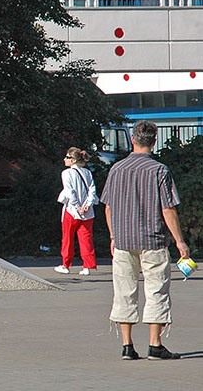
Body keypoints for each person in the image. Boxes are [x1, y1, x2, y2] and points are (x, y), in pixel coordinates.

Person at [101, 120, 190, 360]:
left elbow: (108, 207)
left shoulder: (116, 169)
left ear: (132, 140)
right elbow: (168, 209)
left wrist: (112, 235)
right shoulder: (160, 171)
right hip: (153, 240)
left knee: (124, 291)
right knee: (156, 291)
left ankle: (127, 346)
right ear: (154, 141)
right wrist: (180, 241)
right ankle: (155, 345)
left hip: (122, 240)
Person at [54, 147, 99, 275]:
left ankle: (65, 265)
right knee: (86, 239)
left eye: (67, 157)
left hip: (71, 210)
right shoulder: (87, 172)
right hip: (88, 211)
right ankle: (87, 266)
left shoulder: (66, 173)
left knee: (67, 238)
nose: (64, 159)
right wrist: (87, 205)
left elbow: (69, 191)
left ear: (73, 160)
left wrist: (77, 206)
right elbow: (92, 190)